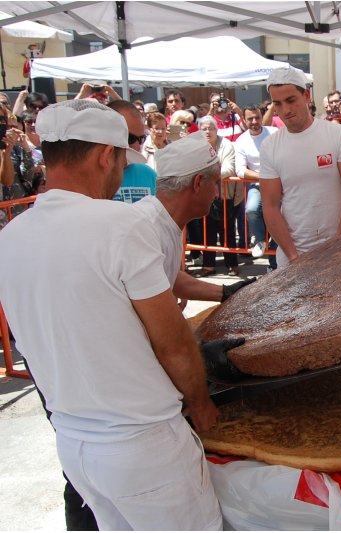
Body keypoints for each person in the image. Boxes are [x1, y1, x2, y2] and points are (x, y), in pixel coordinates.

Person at [0, 99, 230, 530]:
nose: (123, 171)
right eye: (122, 160)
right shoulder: (119, 226)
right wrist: (200, 406)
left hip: (74, 444)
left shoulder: (10, 237)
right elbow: (173, 340)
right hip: (142, 445)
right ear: (106, 155)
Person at [259, 66, 341, 268]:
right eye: (278, 104)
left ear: (306, 95)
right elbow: (270, 206)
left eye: (291, 100)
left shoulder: (336, 134)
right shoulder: (270, 146)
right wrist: (293, 257)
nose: (286, 110)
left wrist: (338, 242)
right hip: (293, 257)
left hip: (339, 254)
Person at [141, 132, 255, 301]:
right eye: (216, 183)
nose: (217, 194)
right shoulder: (146, 233)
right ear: (198, 183)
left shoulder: (163, 220)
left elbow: (170, 277)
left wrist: (226, 293)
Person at [195, 117, 240, 276]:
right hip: (204, 196)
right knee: (207, 231)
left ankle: (232, 264)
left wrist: (205, 176)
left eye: (210, 128)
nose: (207, 131)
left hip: (225, 195)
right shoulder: (197, 146)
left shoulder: (226, 144)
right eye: (204, 128)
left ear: (216, 130)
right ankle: (208, 265)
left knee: (227, 231)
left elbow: (228, 169)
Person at [233, 104, 278, 260]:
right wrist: (262, 176)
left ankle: (274, 258)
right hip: (258, 185)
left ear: (262, 117)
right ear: (244, 121)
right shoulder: (241, 141)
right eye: (250, 118)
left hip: (280, 184)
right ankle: (260, 240)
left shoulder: (274, 133)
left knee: (280, 217)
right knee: (251, 209)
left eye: (257, 117)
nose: (254, 121)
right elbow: (240, 170)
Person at [108, 99, 157, 203]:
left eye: (141, 139)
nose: (137, 145)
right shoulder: (89, 179)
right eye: (130, 138)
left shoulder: (148, 174)